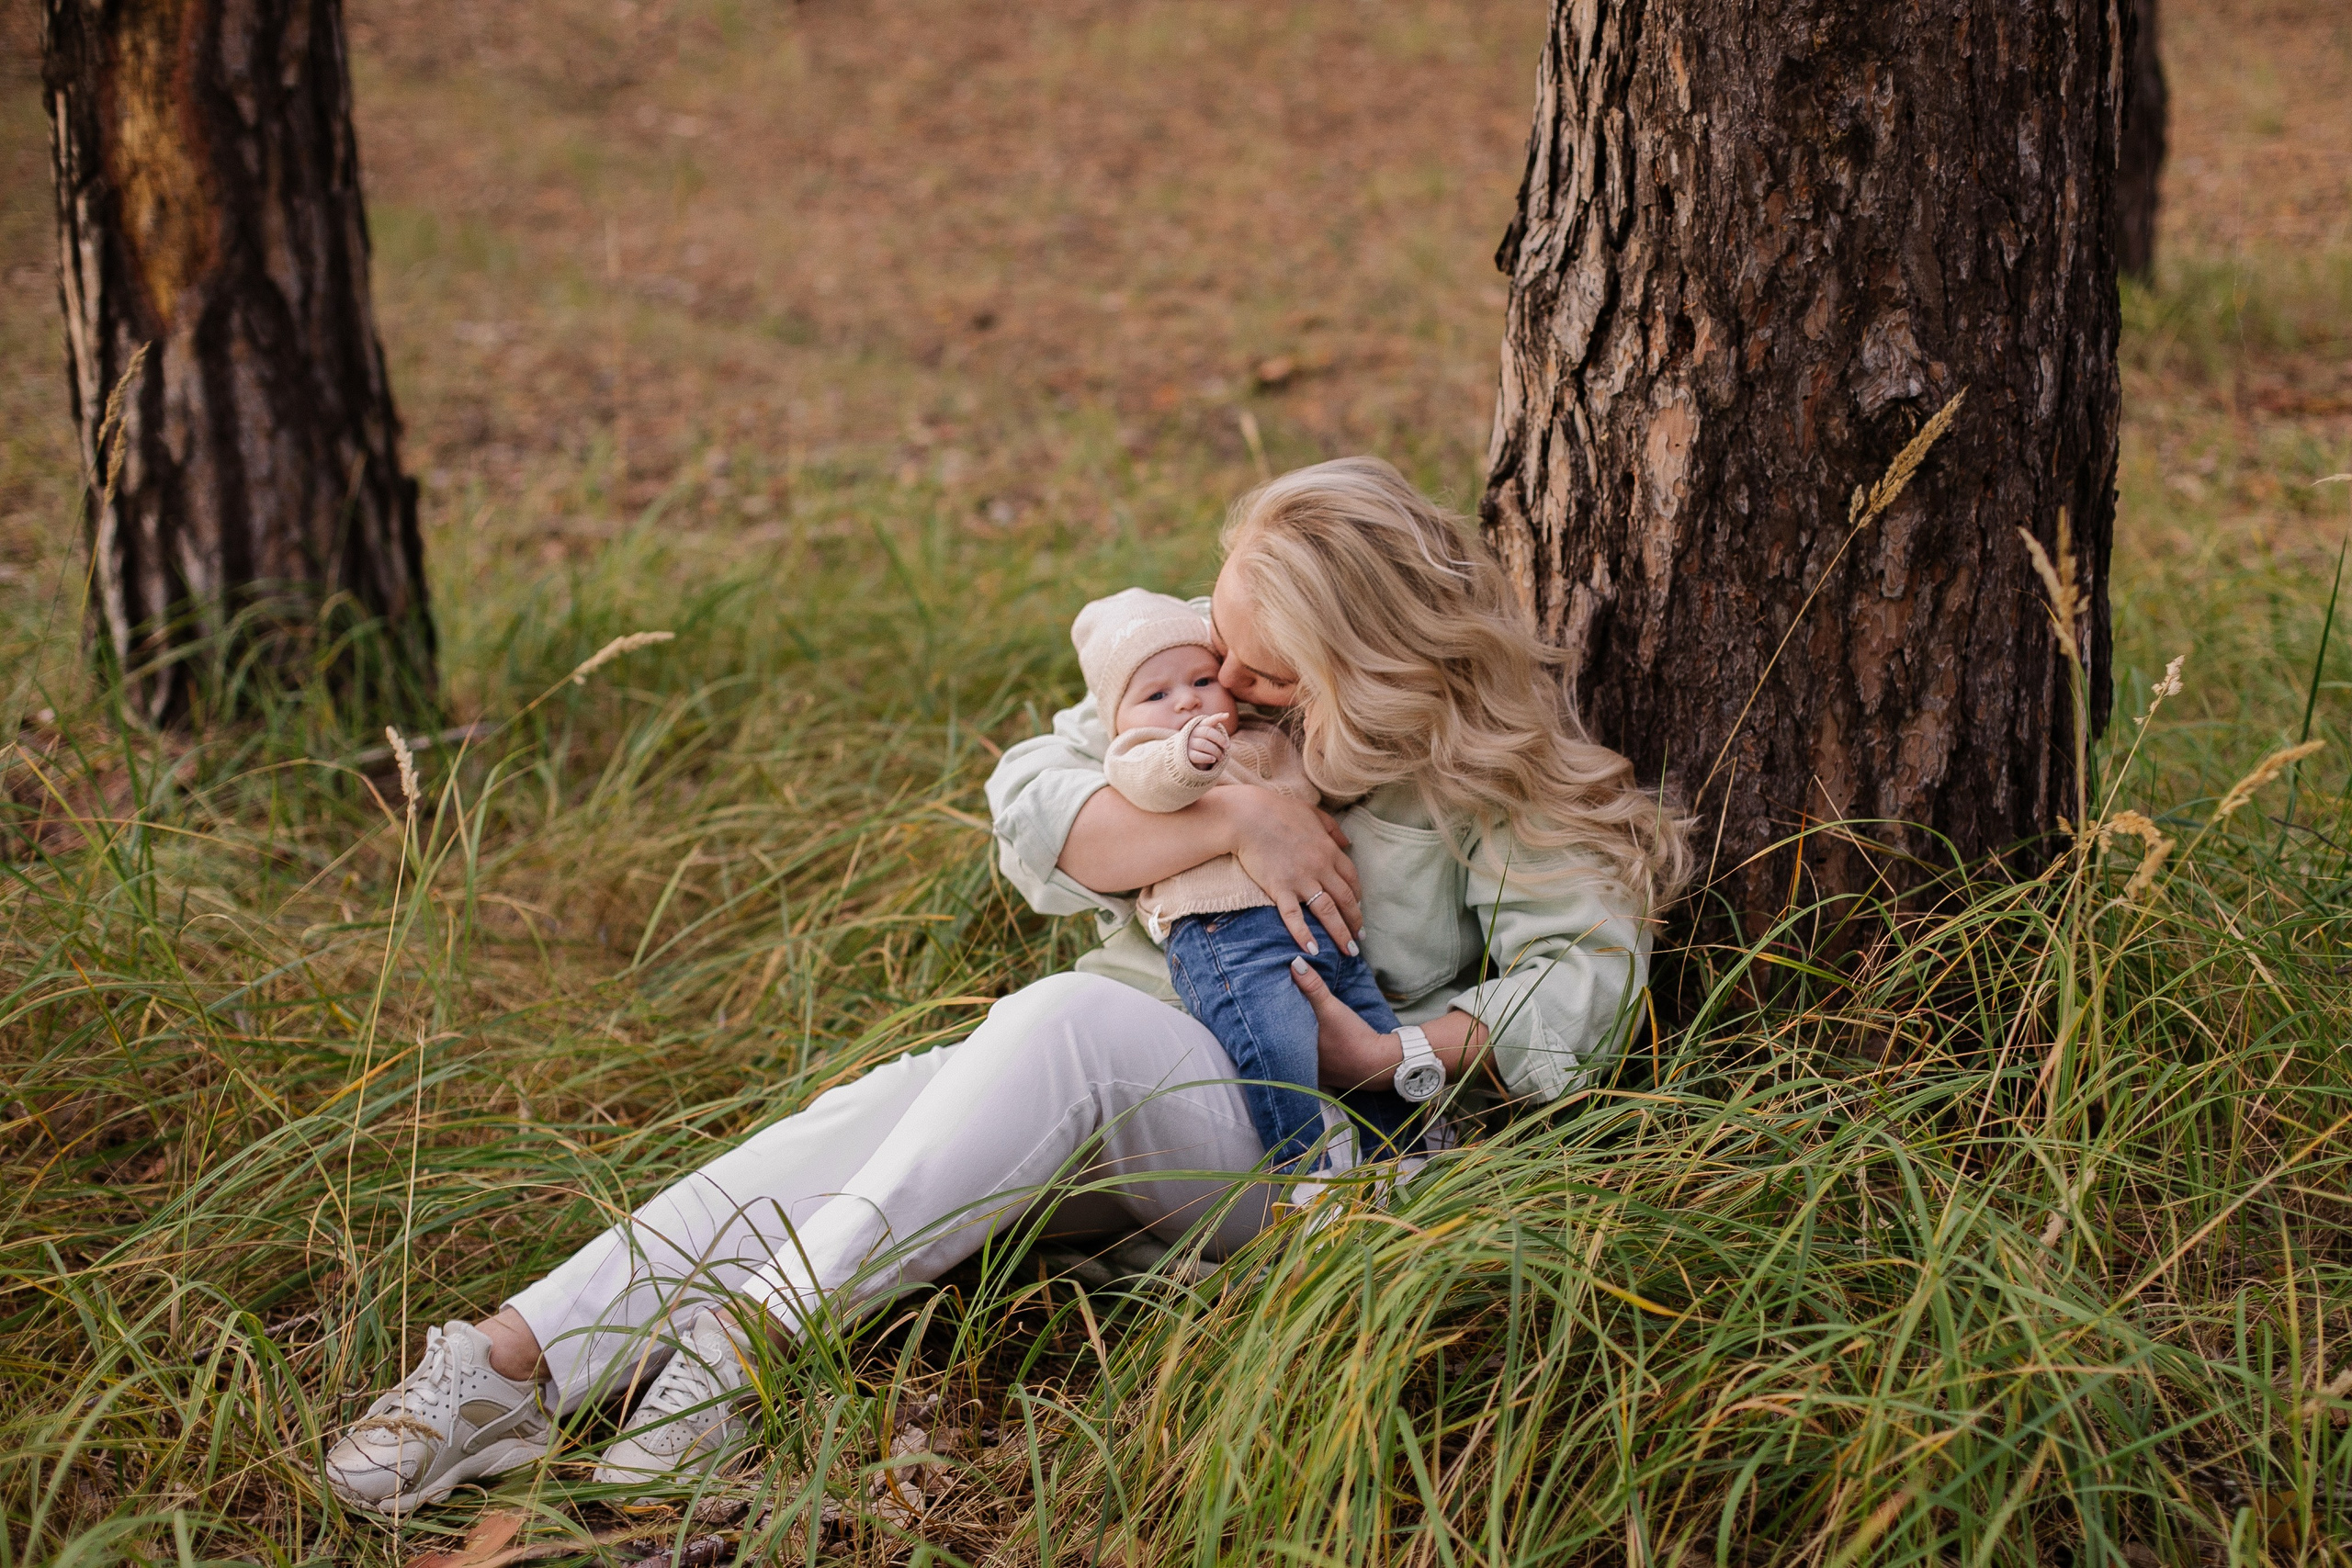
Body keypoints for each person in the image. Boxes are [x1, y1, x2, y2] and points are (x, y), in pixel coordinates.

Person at [321, 456, 1689, 1517]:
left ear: (1363, 658)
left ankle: (743, 1351)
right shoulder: (1221, 695)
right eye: (1220, 640)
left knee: (1065, 1020)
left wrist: (1390, 1053)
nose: (1227, 683)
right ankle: (509, 1363)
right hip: (1093, 1089)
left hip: (1302, 1148)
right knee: (879, 1114)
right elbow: (1037, 800)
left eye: (1268, 668)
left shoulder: (1478, 776)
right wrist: (1233, 817)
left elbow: (1588, 980)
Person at [1074, 586, 1419, 1172]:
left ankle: (1406, 1156)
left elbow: (1327, 776)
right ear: (1117, 720)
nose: (1186, 700)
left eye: (1201, 680)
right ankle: (1307, 1170)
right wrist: (1187, 758)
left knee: (1375, 1030)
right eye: (1156, 694)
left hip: (1320, 928)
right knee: (1276, 1044)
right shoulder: (1141, 750)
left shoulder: (1265, 735)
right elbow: (1152, 782)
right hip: (1225, 932)